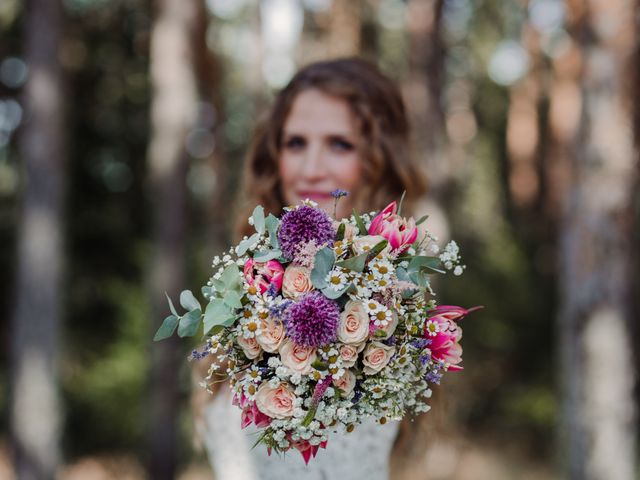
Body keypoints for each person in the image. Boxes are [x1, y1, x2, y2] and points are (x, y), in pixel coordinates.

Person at [195, 58, 428, 480]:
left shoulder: (384, 318)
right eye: (296, 143)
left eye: (340, 144)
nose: (310, 169)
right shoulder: (253, 283)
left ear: (378, 160)